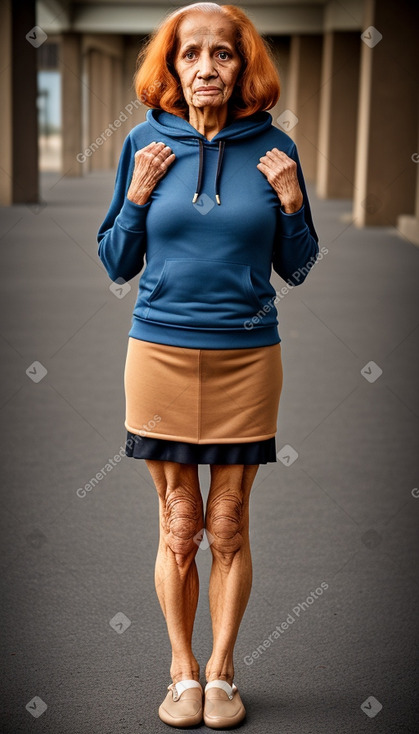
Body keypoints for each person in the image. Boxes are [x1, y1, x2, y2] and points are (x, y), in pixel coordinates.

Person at [97, 2, 319, 728]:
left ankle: (222, 673)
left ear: (242, 65)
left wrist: (289, 202)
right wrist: (134, 198)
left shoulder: (274, 149)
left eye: (221, 54)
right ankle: (180, 672)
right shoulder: (142, 143)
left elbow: (300, 266)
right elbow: (113, 261)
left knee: (226, 524)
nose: (205, 68)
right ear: (170, 67)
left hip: (246, 358)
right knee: (177, 523)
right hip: (158, 352)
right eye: (189, 54)